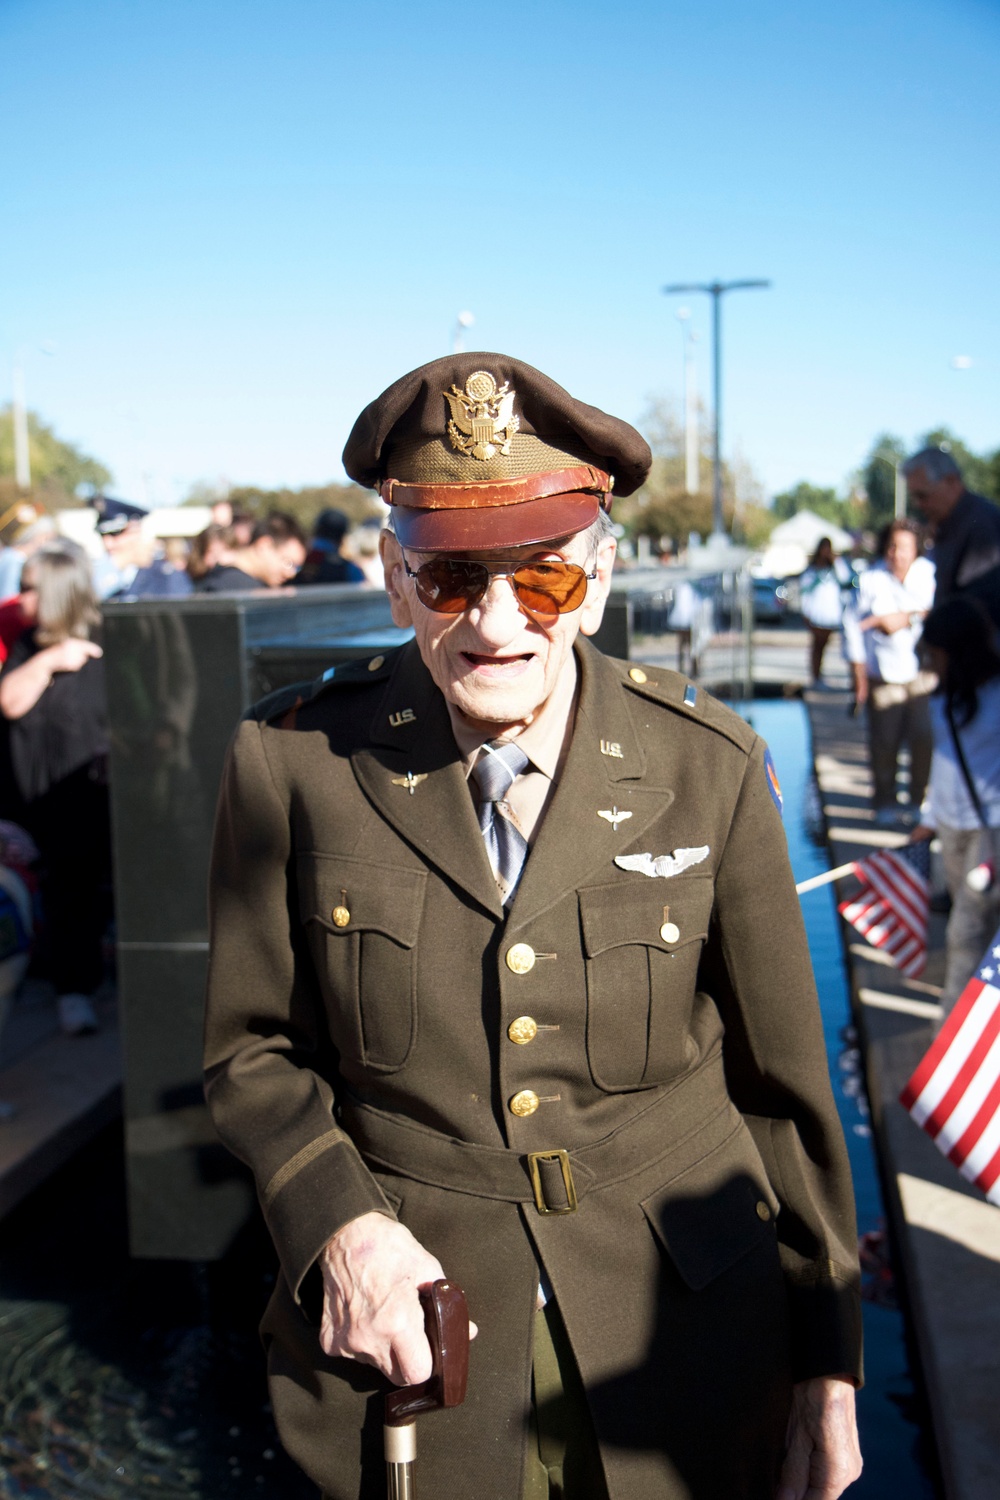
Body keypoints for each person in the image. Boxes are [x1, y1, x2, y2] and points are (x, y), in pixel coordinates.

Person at [204, 354, 862, 1500]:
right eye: (453, 577)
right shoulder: (293, 763)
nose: (497, 622)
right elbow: (249, 1052)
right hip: (418, 1355)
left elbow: (783, 1094)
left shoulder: (702, 767)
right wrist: (338, 1227)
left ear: (599, 583)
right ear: (395, 579)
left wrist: (829, 1365)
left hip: (685, 1343)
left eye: (543, 580)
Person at [0, 541, 111, 1036]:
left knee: (78, 893)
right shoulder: (30, 646)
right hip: (29, 802)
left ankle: (75, 991)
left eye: (27, 589)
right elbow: (10, 703)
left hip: (84, 799)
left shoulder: (108, 642)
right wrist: (48, 663)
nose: (18, 598)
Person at [911, 597, 1000, 1019]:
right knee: (971, 929)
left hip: (991, 833)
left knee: (964, 932)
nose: (930, 662)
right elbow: (943, 768)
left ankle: (948, 1037)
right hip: (949, 827)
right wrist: (927, 821)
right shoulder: (941, 701)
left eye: (935, 654)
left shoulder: (997, 698)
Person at [843, 519, 936, 828]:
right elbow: (853, 626)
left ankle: (917, 799)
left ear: (916, 549)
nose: (898, 553)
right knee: (885, 742)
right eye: (893, 546)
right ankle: (884, 800)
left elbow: (937, 612)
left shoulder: (929, 575)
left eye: (905, 547)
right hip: (883, 674)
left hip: (922, 674)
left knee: (924, 738)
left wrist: (902, 617)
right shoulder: (871, 579)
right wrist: (858, 675)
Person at [903, 447, 1000, 630]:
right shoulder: (953, 523)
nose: (918, 504)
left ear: (951, 482)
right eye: (914, 497)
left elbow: (976, 608)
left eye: (923, 495)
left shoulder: (979, 524)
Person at [92, 495, 193, 600]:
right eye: (103, 537)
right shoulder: (95, 575)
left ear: (137, 531)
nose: (107, 544)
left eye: (115, 535)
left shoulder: (167, 578)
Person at [195, 511, 306, 592]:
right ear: (264, 546)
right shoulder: (235, 588)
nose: (291, 574)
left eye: (297, 567)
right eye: (288, 563)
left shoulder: (220, 579)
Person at [799, 538, 853, 686]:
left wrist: (836, 561)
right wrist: (805, 612)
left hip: (831, 616)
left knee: (826, 646)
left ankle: (820, 676)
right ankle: (815, 677)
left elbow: (846, 578)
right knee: (817, 647)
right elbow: (804, 593)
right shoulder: (811, 571)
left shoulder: (834, 569)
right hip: (816, 615)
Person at [297, 507, 367, 585]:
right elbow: (363, 591)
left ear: (315, 530)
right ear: (342, 538)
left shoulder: (295, 562)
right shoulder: (350, 569)